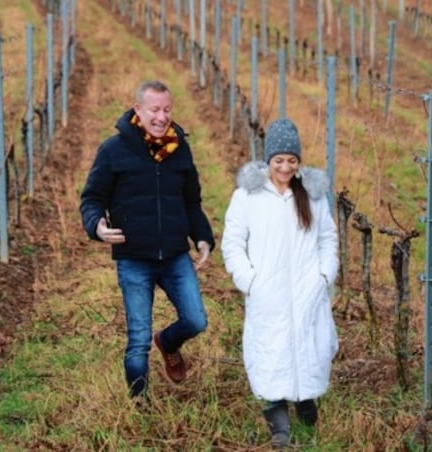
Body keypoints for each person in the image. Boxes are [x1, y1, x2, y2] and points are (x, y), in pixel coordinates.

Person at [79, 80, 215, 402]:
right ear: (138, 110)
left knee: (196, 319)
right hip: (134, 257)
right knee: (137, 338)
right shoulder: (114, 150)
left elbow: (191, 201)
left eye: (167, 109)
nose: (161, 117)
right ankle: (139, 401)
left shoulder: (179, 148)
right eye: (154, 109)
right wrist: (96, 226)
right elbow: (92, 198)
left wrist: (202, 237)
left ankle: (168, 342)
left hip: (174, 255)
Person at [220, 118, 339, 448]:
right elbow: (232, 242)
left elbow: (328, 239)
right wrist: (249, 279)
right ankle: (277, 418)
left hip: (307, 288)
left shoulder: (313, 197)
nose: (285, 167)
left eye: (291, 160)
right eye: (278, 161)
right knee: (270, 348)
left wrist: (324, 275)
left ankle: (305, 398)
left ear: (298, 162)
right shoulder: (248, 197)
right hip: (266, 291)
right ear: (267, 161)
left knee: (308, 343)